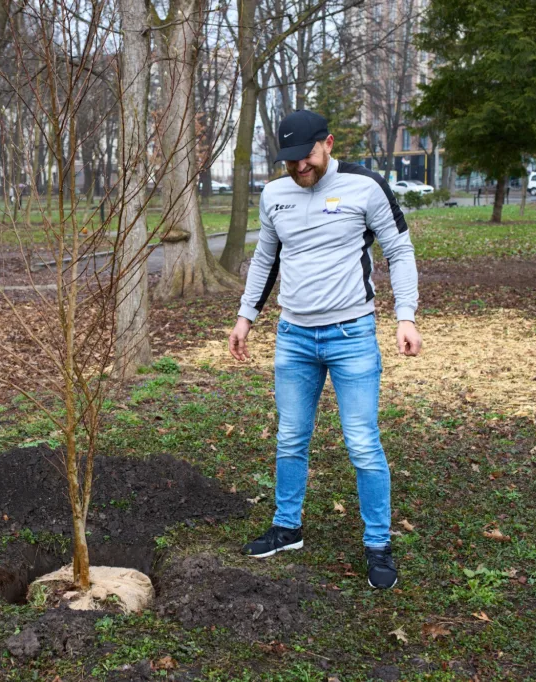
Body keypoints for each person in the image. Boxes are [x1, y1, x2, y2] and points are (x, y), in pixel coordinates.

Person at [228, 110, 422, 590]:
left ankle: (378, 543)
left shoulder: (365, 186)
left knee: (361, 442)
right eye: (290, 160)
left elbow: (399, 249)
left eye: (307, 156)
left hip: (351, 335)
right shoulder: (274, 195)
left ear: (328, 143)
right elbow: (265, 258)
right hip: (294, 338)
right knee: (291, 437)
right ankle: (286, 528)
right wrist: (245, 317)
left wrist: (406, 317)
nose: (299, 168)